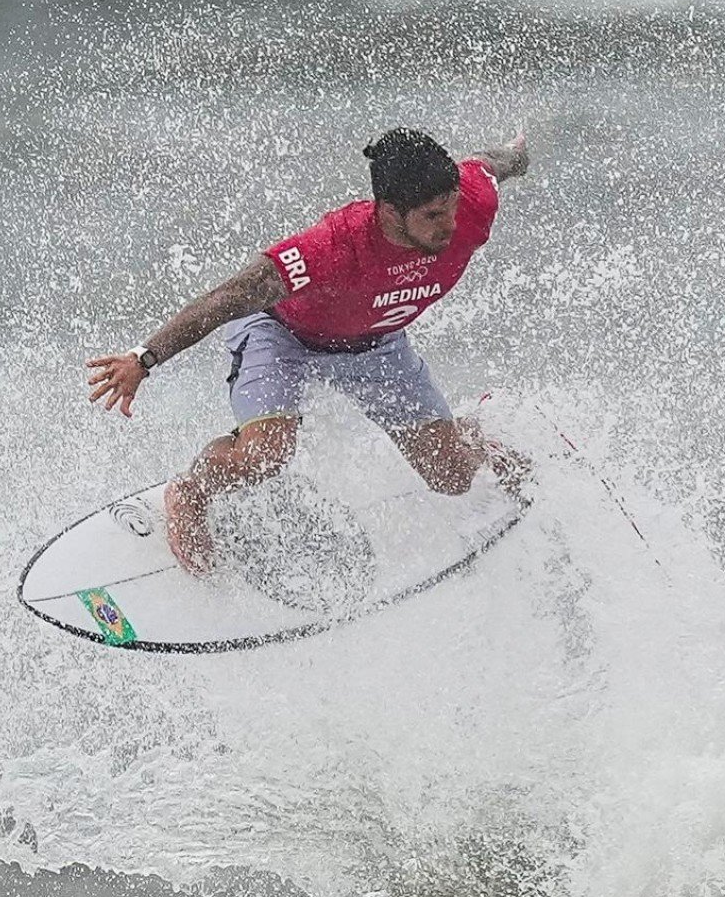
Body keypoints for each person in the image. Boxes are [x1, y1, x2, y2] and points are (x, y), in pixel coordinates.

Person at [84, 128, 532, 574]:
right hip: (285, 337)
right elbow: (229, 296)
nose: (449, 225)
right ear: (392, 212)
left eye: (451, 206)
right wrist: (143, 359)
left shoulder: (472, 200)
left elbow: (490, 164)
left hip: (377, 345)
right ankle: (191, 492)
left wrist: (520, 151)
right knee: (266, 454)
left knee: (451, 477)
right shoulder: (332, 247)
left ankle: (480, 436)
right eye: (433, 215)